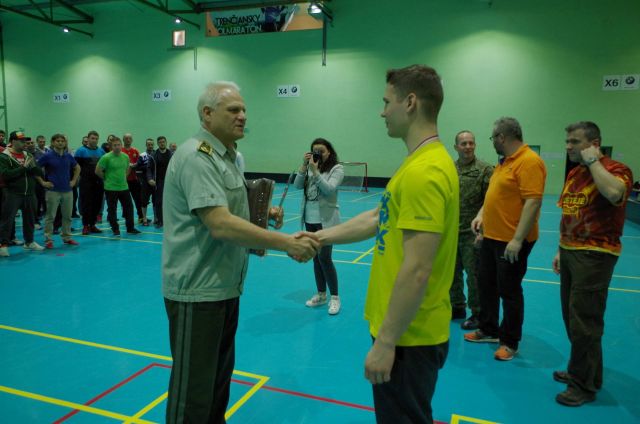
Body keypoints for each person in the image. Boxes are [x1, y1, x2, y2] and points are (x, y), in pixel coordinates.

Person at [306, 65, 458, 424]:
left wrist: (387, 341)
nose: (382, 111)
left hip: (408, 336)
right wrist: (319, 237)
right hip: (404, 330)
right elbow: (378, 218)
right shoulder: (416, 163)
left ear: (410, 102)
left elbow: (418, 268)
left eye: (386, 102)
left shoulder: (425, 171)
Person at [162, 81, 319, 424]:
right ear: (207, 114)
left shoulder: (230, 156)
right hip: (197, 291)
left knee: (217, 386)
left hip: (224, 286)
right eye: (233, 110)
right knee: (193, 394)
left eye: (244, 110)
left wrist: (261, 213)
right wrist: (286, 242)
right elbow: (219, 224)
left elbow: (228, 205)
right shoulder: (197, 156)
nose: (243, 116)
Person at [551, 121, 633, 406]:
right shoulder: (575, 172)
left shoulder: (617, 169)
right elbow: (569, 212)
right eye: (567, 141)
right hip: (570, 251)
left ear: (594, 144)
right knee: (572, 318)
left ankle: (584, 385)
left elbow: (614, 193)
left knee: (585, 322)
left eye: (574, 142)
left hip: (595, 255)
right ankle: (581, 369)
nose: (568, 147)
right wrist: (560, 248)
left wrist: (594, 162)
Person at [464, 117, 547, 361]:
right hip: (491, 237)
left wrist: (517, 240)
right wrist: (481, 216)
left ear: (502, 137)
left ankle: (510, 341)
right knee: (486, 284)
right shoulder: (504, 162)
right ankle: (489, 329)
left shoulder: (529, 161)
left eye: (493, 138)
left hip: (511, 240)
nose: (492, 142)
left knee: (509, 291)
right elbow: (494, 194)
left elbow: (533, 202)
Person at [294, 138, 344, 315]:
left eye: (321, 151)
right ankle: (321, 294)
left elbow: (329, 189)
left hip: (327, 220)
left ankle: (335, 297)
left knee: (325, 258)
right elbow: (297, 185)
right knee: (315, 258)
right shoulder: (310, 167)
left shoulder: (337, 169)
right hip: (310, 218)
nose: (318, 154)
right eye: (315, 151)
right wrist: (304, 166)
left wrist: (315, 172)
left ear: (329, 152)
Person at [450, 130, 493, 329]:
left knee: (474, 275)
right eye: (464, 143)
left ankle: (478, 313)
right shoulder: (449, 169)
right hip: (451, 232)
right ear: (456, 147)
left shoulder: (485, 170)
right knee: (452, 274)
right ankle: (457, 306)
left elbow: (490, 202)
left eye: (471, 143)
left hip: (472, 233)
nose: (468, 147)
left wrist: (483, 232)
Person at [0, 131, 46, 256]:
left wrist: (33, 167)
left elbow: (39, 172)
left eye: (25, 140)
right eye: (21, 141)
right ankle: (3, 245)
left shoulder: (28, 155)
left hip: (30, 193)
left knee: (30, 219)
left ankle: (29, 242)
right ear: (13, 141)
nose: (24, 143)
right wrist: (23, 168)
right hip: (12, 193)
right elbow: (5, 175)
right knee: (7, 220)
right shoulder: (4, 156)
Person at [37, 133, 81, 248]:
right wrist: (42, 182)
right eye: (58, 141)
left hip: (67, 190)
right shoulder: (47, 156)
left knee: (67, 216)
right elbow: (35, 169)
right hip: (53, 191)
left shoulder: (68, 156)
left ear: (65, 143)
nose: (60, 143)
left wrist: (73, 181)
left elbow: (77, 168)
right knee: (50, 216)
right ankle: (48, 239)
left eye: (62, 141)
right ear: (53, 142)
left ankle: (67, 237)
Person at [95, 137, 140, 236]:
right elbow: (98, 171)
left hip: (124, 187)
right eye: (115, 145)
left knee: (129, 208)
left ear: (121, 145)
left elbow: (128, 168)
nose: (117, 147)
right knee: (112, 209)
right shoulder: (106, 157)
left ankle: (130, 228)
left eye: (118, 145)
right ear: (111, 146)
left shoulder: (125, 157)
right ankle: (115, 229)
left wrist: (124, 177)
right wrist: (106, 178)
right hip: (111, 188)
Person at [75, 130, 105, 235]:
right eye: (92, 138)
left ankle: (92, 224)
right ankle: (85, 226)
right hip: (86, 182)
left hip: (99, 182)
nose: (94, 140)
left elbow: (104, 167)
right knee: (86, 204)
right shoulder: (81, 151)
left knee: (97, 204)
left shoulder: (101, 152)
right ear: (88, 139)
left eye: (96, 138)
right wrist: (76, 179)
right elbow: (76, 167)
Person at [147, 136, 172, 227]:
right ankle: (160, 221)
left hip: (170, 181)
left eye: (163, 141)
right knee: (159, 202)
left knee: (170, 201)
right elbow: (149, 168)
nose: (162, 143)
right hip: (159, 182)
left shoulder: (171, 154)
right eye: (160, 142)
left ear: (166, 142)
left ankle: (170, 220)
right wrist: (150, 178)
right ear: (157, 144)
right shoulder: (153, 155)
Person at [122, 133, 143, 222]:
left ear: (132, 140)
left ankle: (141, 216)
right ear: (123, 140)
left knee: (138, 199)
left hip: (134, 180)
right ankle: (127, 217)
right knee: (125, 201)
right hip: (124, 180)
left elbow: (140, 163)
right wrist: (128, 166)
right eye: (126, 138)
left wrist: (134, 165)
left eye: (129, 138)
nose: (128, 140)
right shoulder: (120, 151)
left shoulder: (135, 151)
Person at [136, 138, 155, 226]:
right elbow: (138, 167)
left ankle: (156, 218)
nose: (150, 146)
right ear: (146, 145)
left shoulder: (156, 154)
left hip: (155, 181)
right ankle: (144, 218)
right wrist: (147, 166)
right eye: (148, 144)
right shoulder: (142, 155)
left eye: (152, 144)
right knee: (144, 201)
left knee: (156, 200)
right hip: (145, 182)